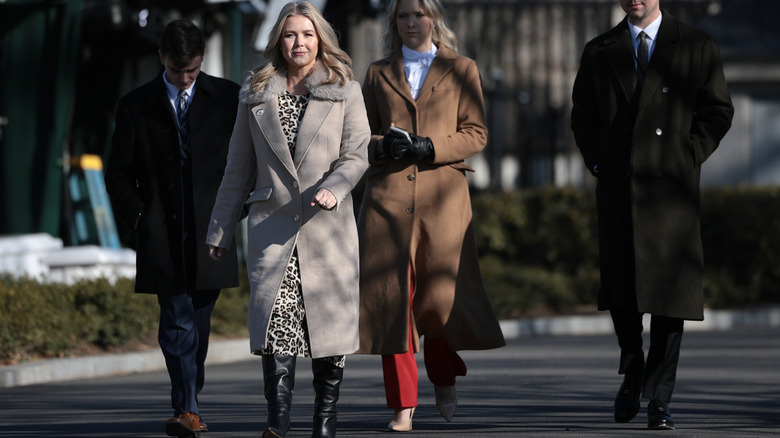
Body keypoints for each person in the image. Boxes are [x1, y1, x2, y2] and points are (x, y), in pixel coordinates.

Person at [205, 2, 370, 437]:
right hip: (272, 227)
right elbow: (237, 167)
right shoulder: (256, 91)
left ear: (321, 40)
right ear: (279, 39)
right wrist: (220, 229)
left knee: (327, 331)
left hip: (327, 230)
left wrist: (335, 187)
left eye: (308, 34)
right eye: (292, 34)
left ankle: (324, 420)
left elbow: (357, 154)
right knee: (277, 325)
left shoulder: (344, 89)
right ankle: (277, 421)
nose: (300, 42)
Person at [570, 0, 733, 430]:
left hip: (670, 191)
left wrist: (688, 155)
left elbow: (717, 109)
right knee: (623, 293)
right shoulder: (600, 49)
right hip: (619, 187)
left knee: (669, 299)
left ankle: (659, 398)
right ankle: (632, 370)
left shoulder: (696, 44)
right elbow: (582, 116)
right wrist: (600, 161)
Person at [357, 0, 506, 432]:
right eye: (402, 16)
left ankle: (443, 375)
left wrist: (430, 147)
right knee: (392, 306)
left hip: (444, 201)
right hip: (386, 203)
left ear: (432, 19)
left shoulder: (462, 68)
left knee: (438, 303)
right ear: (394, 23)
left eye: (417, 15)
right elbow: (360, 134)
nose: (410, 23)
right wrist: (384, 146)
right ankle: (403, 406)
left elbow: (475, 133)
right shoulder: (377, 73)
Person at [104, 19, 241, 437]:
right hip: (161, 229)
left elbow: (246, 165)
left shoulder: (228, 98)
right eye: (178, 70)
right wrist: (140, 220)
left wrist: (233, 214)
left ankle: (189, 399)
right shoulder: (135, 104)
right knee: (176, 322)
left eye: (193, 71)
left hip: (211, 232)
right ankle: (186, 408)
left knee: (197, 325)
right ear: (161, 58)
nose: (185, 79)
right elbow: (119, 174)